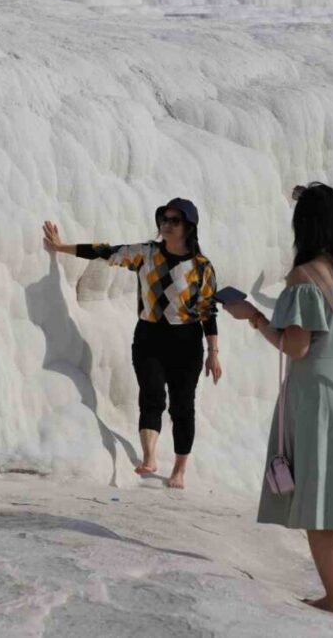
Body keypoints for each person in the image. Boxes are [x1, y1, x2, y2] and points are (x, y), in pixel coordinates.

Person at [223, 183, 333, 616]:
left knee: (320, 494)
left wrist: (255, 319)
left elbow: (296, 348)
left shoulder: (305, 277)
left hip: (316, 390)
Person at [43, 198, 222, 489]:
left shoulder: (202, 268)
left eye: (174, 220)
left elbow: (208, 313)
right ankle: (150, 457)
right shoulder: (146, 253)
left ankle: (179, 470)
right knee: (151, 394)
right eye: (164, 218)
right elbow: (106, 251)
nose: (166, 224)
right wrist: (62, 247)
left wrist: (213, 353)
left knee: (182, 407)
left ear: (189, 226)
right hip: (149, 337)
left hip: (186, 342)